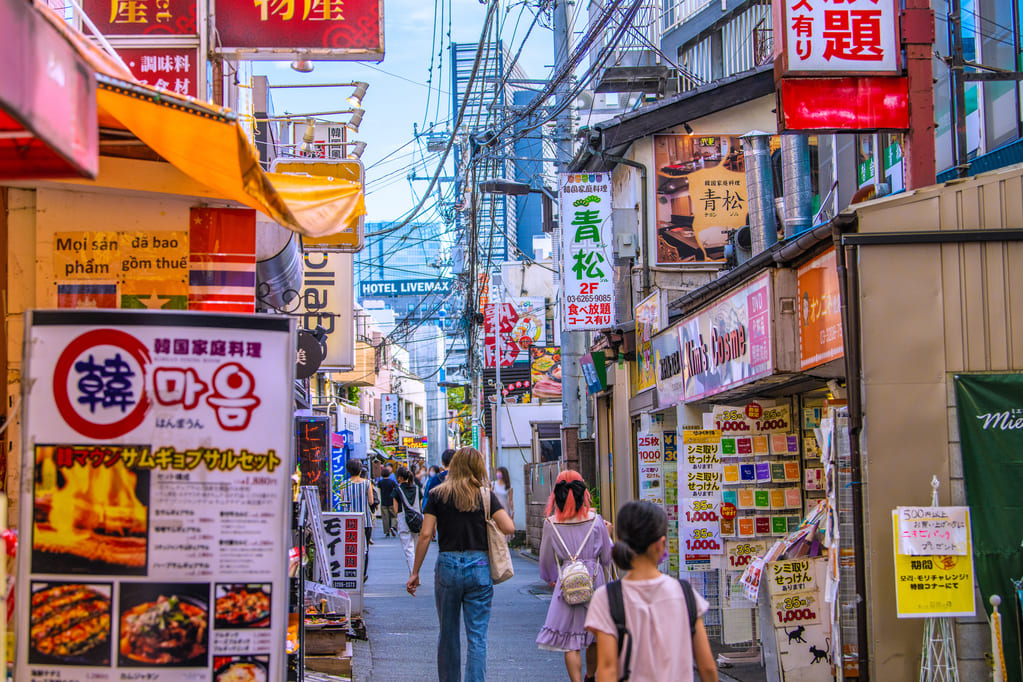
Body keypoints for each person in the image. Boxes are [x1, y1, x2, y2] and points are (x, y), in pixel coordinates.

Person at [407, 447, 515, 682]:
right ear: (478, 468)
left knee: (448, 634)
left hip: (447, 565)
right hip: (479, 566)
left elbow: (425, 534)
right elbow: (509, 528)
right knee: (477, 637)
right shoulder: (485, 495)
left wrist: (414, 572)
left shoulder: (437, 494)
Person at [585, 501, 718, 682]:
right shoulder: (685, 594)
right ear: (661, 544)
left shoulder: (606, 598)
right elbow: (708, 668)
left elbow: (607, 669)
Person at [536, 471, 613, 682]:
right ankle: (590, 676)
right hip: (594, 583)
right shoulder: (596, 521)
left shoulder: (551, 524)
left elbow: (545, 561)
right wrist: (609, 534)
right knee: (595, 636)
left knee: (570, 641)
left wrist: (552, 578)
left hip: (567, 583)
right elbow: (607, 558)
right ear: (583, 493)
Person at [339, 459, 375, 576]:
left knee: (351, 548)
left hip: (349, 521)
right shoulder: (367, 483)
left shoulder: (343, 484)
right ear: (360, 470)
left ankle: (352, 572)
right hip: (365, 520)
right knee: (365, 548)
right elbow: (371, 501)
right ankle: (363, 574)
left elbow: (343, 502)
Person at [392, 466, 421, 573]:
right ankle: (416, 573)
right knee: (417, 550)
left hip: (404, 522)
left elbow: (396, 510)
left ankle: (414, 575)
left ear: (399, 478)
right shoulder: (417, 489)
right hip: (417, 522)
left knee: (409, 550)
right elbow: (420, 506)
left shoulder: (397, 491)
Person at [377, 466, 398, 537]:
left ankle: (387, 531)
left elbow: (379, 490)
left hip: (384, 502)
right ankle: (392, 526)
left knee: (385, 517)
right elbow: (396, 489)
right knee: (393, 516)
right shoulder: (392, 482)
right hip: (391, 501)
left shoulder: (380, 482)